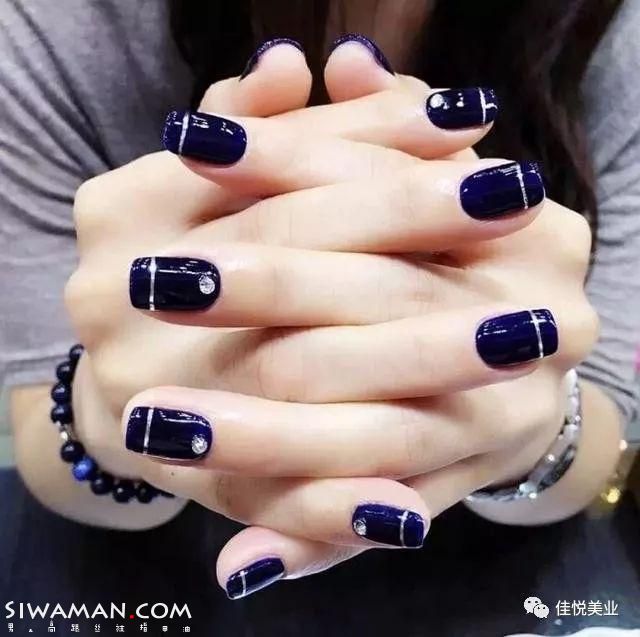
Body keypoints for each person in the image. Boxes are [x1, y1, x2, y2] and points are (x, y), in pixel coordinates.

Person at [3, 0, 639, 600]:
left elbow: (594, 445)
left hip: (494, 570)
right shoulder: (60, 27)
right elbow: (48, 455)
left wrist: (530, 438)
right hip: (157, 568)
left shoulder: (615, 33)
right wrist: (104, 415)